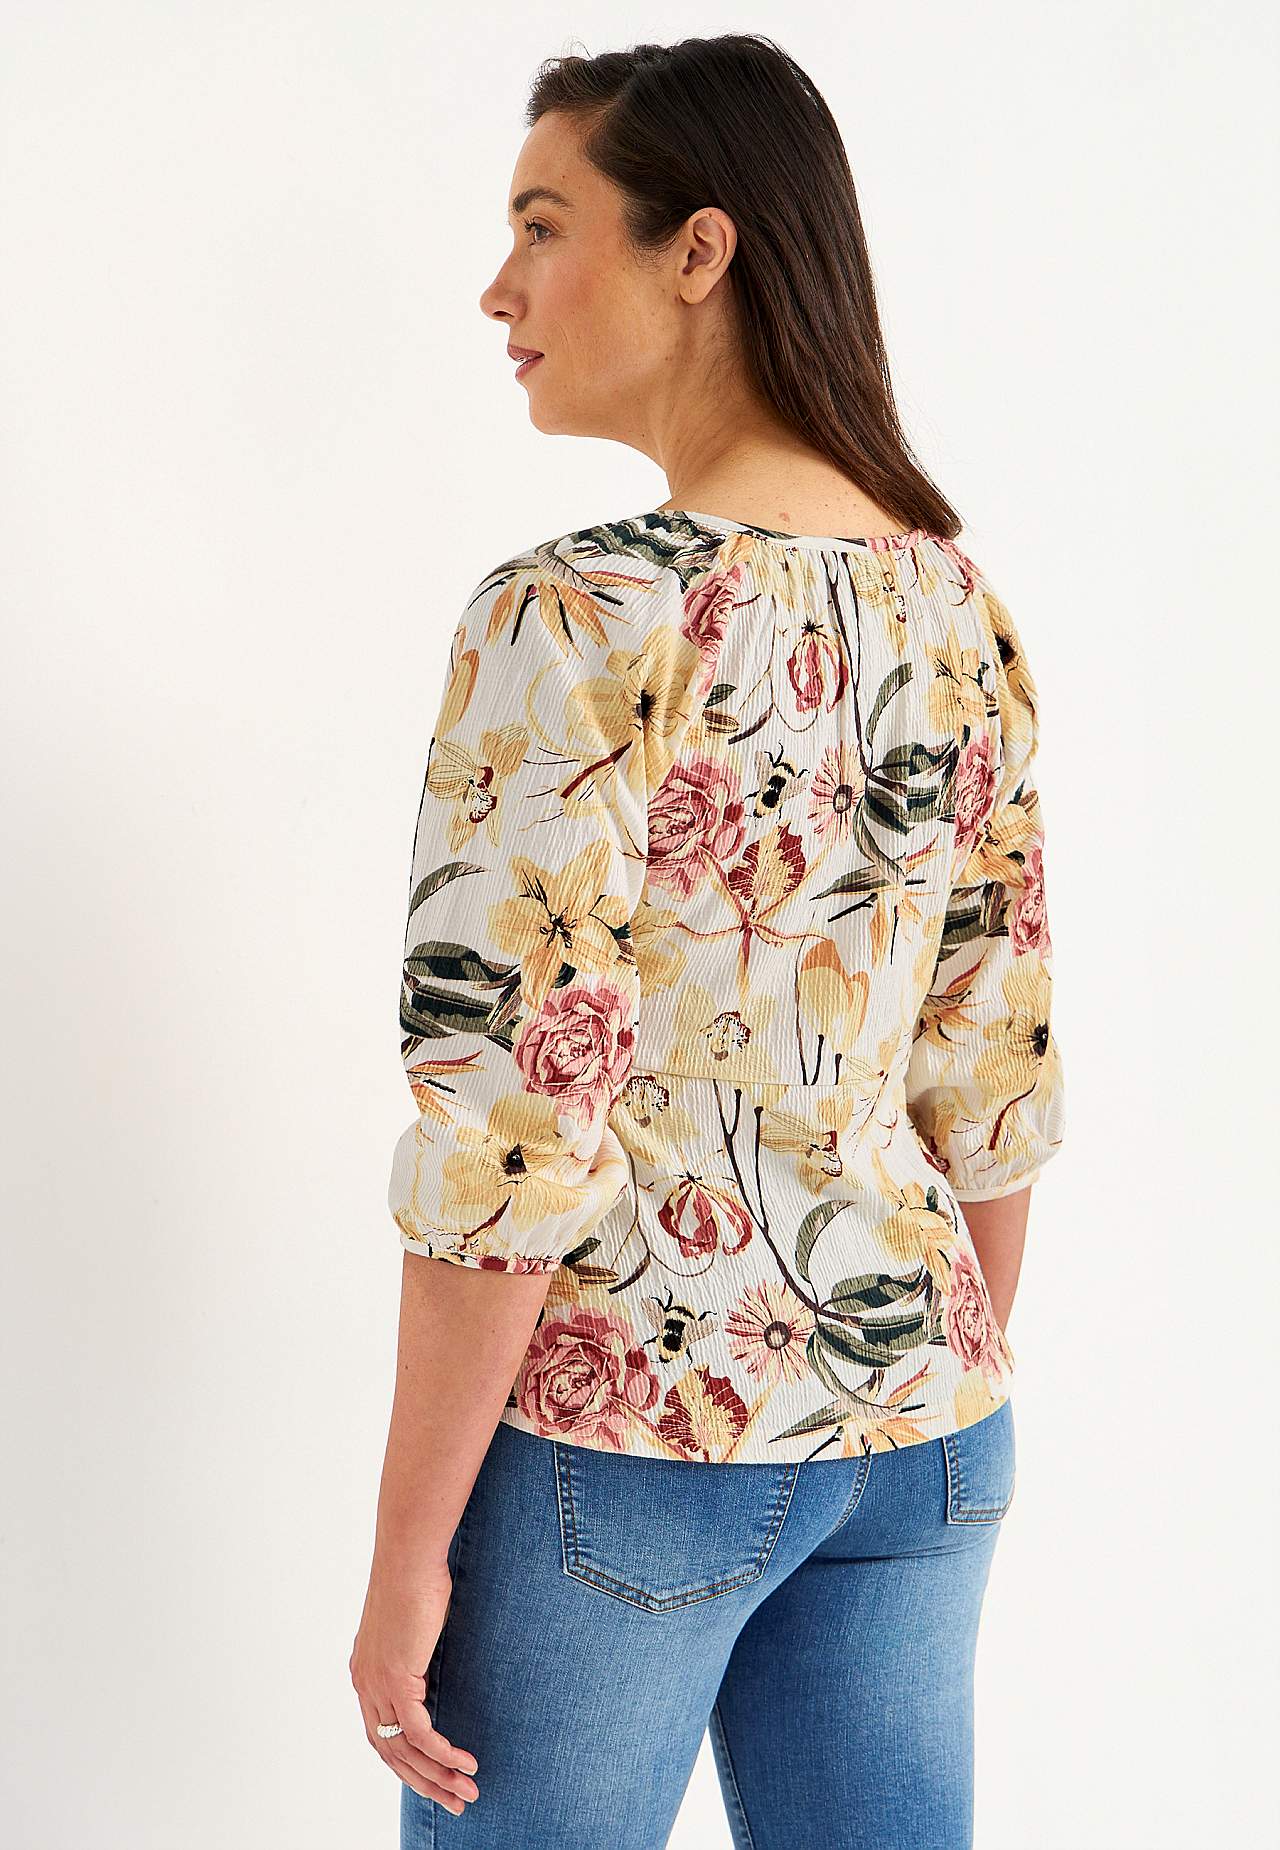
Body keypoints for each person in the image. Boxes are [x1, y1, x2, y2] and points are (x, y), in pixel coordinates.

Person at [350, 32, 1066, 1850]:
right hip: (924, 1424)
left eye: (543, 226)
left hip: (637, 1441)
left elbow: (512, 1137)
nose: (498, 288)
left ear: (700, 249)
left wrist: (407, 1553)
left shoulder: (576, 617)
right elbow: (993, 1073)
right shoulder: (955, 604)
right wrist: (910, 1392)